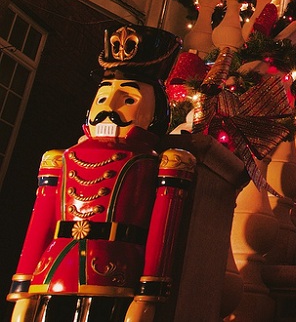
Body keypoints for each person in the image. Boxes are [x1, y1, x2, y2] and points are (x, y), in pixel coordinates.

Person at [7, 24, 193, 322]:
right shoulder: (59, 159)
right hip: (54, 270)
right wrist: (23, 289)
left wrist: (148, 294)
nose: (110, 107)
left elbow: (162, 230)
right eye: (103, 98)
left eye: (129, 99)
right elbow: (40, 222)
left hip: (115, 271)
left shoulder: (161, 162)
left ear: (155, 110)